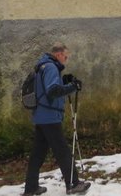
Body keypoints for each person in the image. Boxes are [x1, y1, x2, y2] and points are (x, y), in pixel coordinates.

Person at [23, 42, 91, 196]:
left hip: (41, 116)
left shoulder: (43, 65)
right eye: (65, 57)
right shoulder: (51, 67)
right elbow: (52, 91)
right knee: (62, 151)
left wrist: (64, 82)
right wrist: (72, 87)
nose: (66, 60)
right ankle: (73, 184)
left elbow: (47, 87)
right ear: (59, 54)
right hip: (50, 117)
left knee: (38, 154)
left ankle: (31, 187)